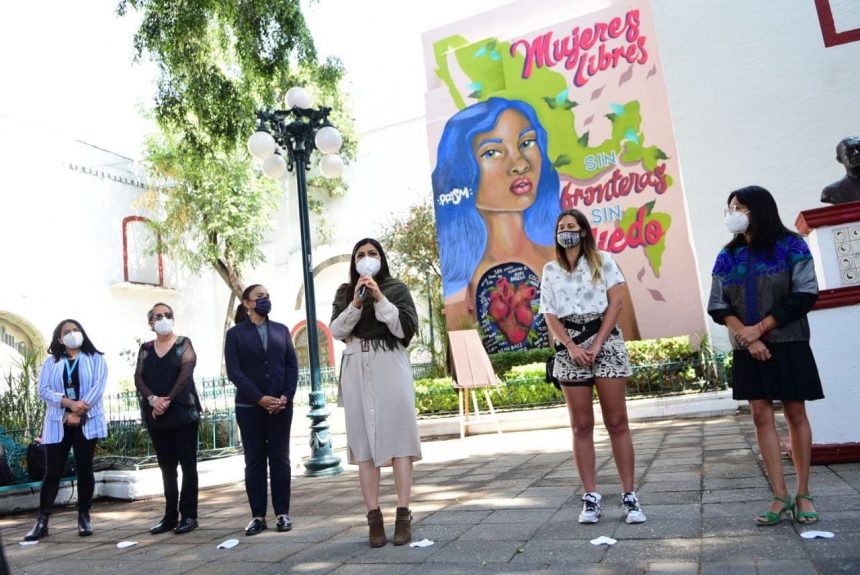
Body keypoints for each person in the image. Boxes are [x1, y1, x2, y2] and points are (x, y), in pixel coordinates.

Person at [432, 97, 639, 346]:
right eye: (492, 152)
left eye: (527, 142)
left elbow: (631, 349)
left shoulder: (597, 265)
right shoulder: (460, 293)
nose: (520, 164)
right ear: (461, 172)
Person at [708, 185, 823, 526]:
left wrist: (760, 329)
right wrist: (747, 336)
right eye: (730, 208)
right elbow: (718, 304)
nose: (733, 214)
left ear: (759, 209)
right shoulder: (727, 255)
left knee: (795, 412)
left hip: (789, 341)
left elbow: (804, 294)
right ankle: (779, 494)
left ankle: (803, 493)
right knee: (760, 415)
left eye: (739, 207)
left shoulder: (791, 246)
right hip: (746, 346)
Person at [539, 209, 646, 525]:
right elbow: (549, 313)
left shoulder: (604, 260)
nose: (565, 231)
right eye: (561, 227)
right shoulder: (550, 270)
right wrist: (571, 347)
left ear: (583, 231)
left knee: (617, 422)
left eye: (571, 226)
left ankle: (630, 496)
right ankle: (590, 498)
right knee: (581, 426)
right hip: (569, 349)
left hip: (606, 342)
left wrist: (597, 344)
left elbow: (616, 304)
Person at [330, 238, 421, 547]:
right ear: (353, 261)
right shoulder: (345, 292)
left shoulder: (396, 288)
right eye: (360, 254)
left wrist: (379, 296)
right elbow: (337, 331)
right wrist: (356, 302)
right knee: (363, 444)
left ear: (381, 257)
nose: (366, 258)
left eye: (372, 253)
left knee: (400, 439)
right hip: (356, 363)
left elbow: (403, 328)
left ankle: (403, 514)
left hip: (389, 362)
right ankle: (373, 518)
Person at [225, 284, 298, 536]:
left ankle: (282, 514)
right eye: (259, 296)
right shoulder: (235, 334)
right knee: (254, 461)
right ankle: (258, 516)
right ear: (247, 303)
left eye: (267, 295)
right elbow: (234, 371)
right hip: (250, 407)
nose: (265, 299)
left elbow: (291, 366)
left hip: (280, 407)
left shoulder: (281, 330)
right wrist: (259, 398)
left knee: (280, 459)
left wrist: (285, 396)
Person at [24, 319, 108, 541]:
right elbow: (43, 390)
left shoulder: (95, 359)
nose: (72, 334)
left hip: (86, 420)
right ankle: (42, 521)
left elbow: (98, 387)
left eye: (76, 330)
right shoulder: (51, 362)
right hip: (58, 421)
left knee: (84, 468)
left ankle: (84, 516)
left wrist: (78, 411)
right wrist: (68, 404)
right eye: (67, 332)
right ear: (60, 339)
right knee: (52, 471)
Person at [134, 303, 201, 535]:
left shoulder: (184, 344)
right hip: (156, 414)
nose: (163, 319)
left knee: (188, 465)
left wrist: (167, 400)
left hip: (183, 412)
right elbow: (138, 378)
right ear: (150, 322)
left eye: (167, 315)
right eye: (158, 316)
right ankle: (170, 515)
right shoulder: (145, 349)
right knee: (166, 467)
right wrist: (153, 399)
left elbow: (186, 373)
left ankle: (189, 515)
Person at [820, 136, 860, 204]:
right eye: (850, 151)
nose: (857, 153)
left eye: (859, 148)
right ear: (840, 159)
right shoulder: (832, 191)